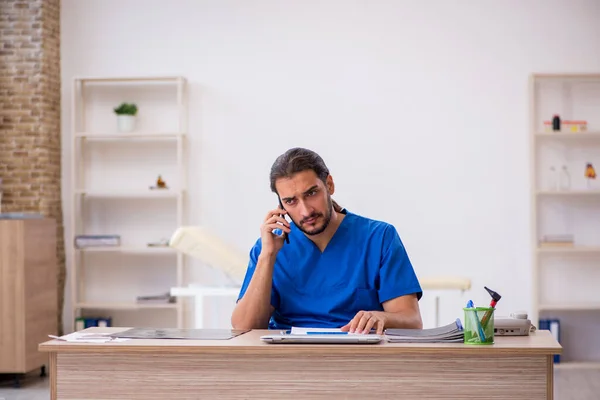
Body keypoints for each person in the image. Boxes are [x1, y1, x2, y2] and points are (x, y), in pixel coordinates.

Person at [231, 147, 423, 334]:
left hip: (358, 358)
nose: (305, 211)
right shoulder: (269, 248)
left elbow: (412, 321)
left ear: (329, 185)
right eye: (291, 201)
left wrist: (382, 318)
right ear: (281, 205)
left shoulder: (379, 238)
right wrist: (268, 256)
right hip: (289, 359)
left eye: (311, 193)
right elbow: (244, 327)